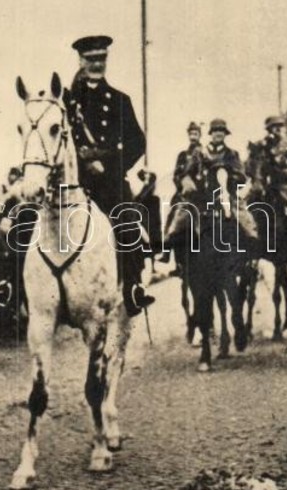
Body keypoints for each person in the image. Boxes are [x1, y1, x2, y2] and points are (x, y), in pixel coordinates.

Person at [66, 34, 154, 316]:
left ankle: (132, 288)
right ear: (80, 60)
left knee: (128, 225)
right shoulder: (68, 102)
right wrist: (83, 164)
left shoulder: (119, 100)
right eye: (91, 59)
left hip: (110, 184)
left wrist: (112, 166)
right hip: (75, 182)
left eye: (101, 59)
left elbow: (138, 143)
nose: (96, 64)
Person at [185, 118, 258, 240]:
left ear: (225, 134)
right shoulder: (200, 153)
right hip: (204, 193)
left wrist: (232, 178)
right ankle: (169, 244)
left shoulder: (231, 154)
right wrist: (192, 183)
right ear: (211, 133)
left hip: (227, 192)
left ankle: (252, 244)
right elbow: (188, 172)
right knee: (183, 215)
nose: (218, 133)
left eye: (221, 131)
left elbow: (241, 175)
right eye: (215, 130)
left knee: (243, 218)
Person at [164, 121, 205, 272]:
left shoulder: (203, 152)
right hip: (184, 193)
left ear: (200, 135)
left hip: (200, 193)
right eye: (191, 133)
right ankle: (167, 251)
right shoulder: (182, 155)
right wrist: (181, 184)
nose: (193, 136)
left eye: (196, 133)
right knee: (172, 214)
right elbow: (176, 175)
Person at [246, 115, 287, 218]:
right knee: (260, 209)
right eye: (274, 126)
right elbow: (252, 164)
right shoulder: (261, 145)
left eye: (280, 126)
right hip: (269, 183)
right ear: (269, 129)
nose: (278, 129)